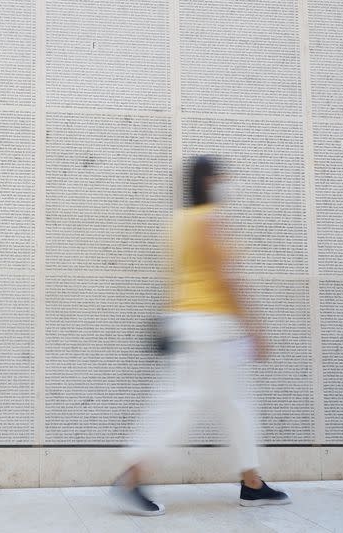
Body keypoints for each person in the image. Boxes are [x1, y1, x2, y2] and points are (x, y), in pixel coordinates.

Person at [111, 156, 291, 516]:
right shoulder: (209, 220)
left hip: (196, 326)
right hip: (210, 330)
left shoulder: (178, 222)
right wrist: (255, 328)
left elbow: (182, 278)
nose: (226, 184)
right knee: (181, 404)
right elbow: (228, 278)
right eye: (221, 178)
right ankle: (131, 477)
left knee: (234, 404)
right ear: (208, 181)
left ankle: (252, 482)